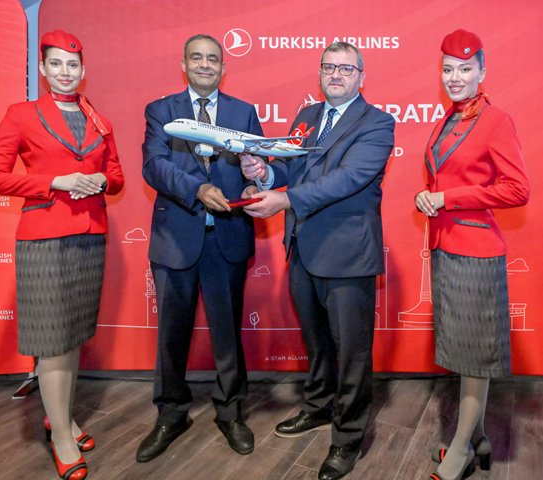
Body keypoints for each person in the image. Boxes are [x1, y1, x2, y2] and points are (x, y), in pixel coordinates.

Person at [240, 42, 395, 480]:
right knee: (318, 343)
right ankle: (319, 407)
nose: (336, 75)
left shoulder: (377, 122)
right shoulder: (307, 117)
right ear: (320, 73)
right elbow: (291, 171)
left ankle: (348, 438)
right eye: (329, 67)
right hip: (303, 249)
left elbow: (347, 179)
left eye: (346, 68)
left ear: (361, 76)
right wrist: (264, 174)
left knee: (352, 353)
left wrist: (284, 200)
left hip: (347, 255)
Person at [0, 30, 124, 480]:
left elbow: (117, 174)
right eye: (56, 64)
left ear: (84, 70)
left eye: (73, 65)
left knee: (73, 335)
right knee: (53, 342)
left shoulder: (98, 118)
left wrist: (102, 181)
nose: (66, 72)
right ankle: (62, 435)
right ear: (42, 69)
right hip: (44, 238)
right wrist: (53, 182)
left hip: (90, 236)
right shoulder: (22, 114)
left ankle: (58, 417)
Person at [136, 34, 264, 463]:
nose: (205, 65)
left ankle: (230, 411)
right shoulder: (161, 110)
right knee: (172, 335)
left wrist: (256, 182)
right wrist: (198, 188)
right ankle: (171, 413)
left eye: (213, 59)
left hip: (227, 238)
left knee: (228, 333)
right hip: (176, 239)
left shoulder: (243, 112)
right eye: (197, 58)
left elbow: (258, 168)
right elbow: (155, 165)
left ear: (224, 68)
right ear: (184, 64)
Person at [414, 29, 529, 480]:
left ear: (482, 71)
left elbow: (517, 189)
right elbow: (441, 179)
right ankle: (478, 438)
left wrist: (449, 198)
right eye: (448, 69)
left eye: (465, 69)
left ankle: (461, 448)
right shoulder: (449, 118)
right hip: (446, 247)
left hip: (476, 253)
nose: (455, 77)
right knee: (465, 352)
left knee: (474, 355)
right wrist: (426, 196)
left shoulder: (495, 119)